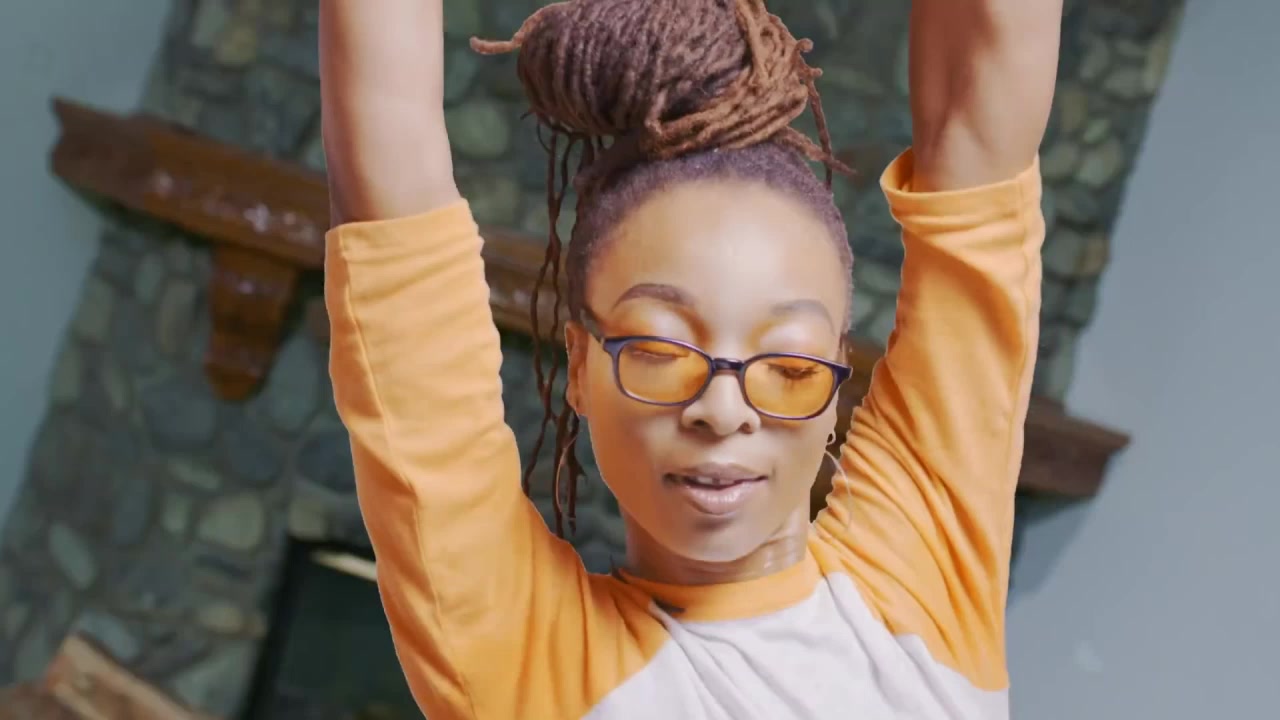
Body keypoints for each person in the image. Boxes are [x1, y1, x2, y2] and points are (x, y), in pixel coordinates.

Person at [318, 0, 1059, 717]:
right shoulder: (523, 656)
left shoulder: (920, 576)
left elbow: (981, 127)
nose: (723, 411)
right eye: (661, 352)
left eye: (790, 368)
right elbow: (392, 202)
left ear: (834, 384)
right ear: (581, 365)